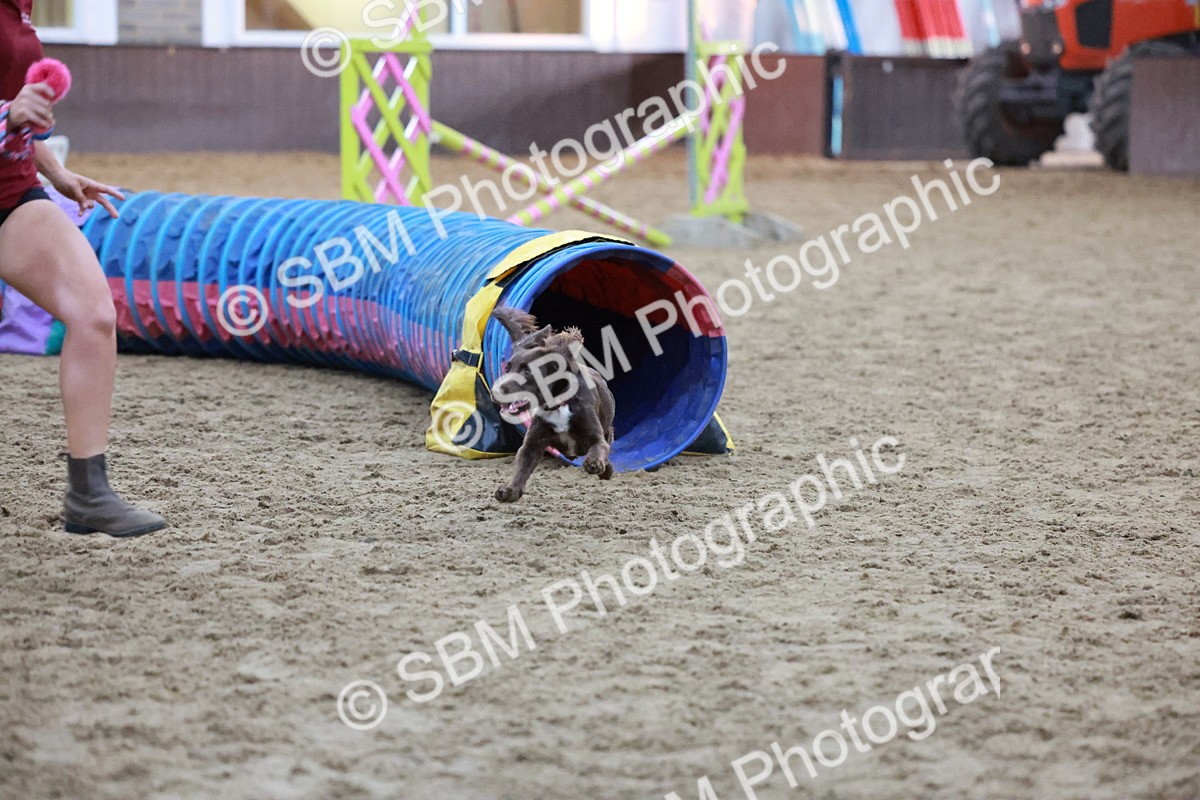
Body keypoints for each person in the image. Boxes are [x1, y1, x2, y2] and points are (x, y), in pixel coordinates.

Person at [1, 0, 166, 538]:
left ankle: (88, 494)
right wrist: (7, 115)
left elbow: (18, 112)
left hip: (11, 192)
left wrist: (57, 171)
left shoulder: (20, 9)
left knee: (93, 312)